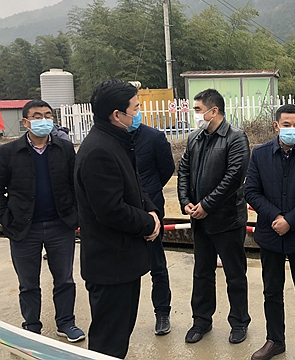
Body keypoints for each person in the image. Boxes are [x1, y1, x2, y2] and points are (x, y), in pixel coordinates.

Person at [75, 79, 161, 359]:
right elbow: (110, 209)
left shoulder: (116, 141)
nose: (137, 113)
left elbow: (134, 185)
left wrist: (151, 210)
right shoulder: (99, 151)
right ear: (117, 114)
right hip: (110, 264)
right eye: (134, 108)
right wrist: (148, 223)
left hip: (123, 261)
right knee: (109, 343)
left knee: (119, 334)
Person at [0, 99, 85, 342]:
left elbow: (75, 184)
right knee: (28, 283)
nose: (44, 120)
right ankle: (32, 327)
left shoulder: (64, 148)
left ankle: (66, 323)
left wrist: (75, 214)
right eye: (37, 116)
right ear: (26, 122)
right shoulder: (8, 152)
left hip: (60, 225)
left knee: (65, 279)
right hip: (23, 228)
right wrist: (7, 219)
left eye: (48, 115)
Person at [245, 104, 295, 360]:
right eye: (287, 125)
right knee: (272, 291)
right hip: (270, 233)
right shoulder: (260, 154)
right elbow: (251, 191)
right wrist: (275, 217)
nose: (292, 129)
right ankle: (275, 341)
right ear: (276, 126)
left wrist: (289, 220)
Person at [177, 88, 251, 345]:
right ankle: (201, 321)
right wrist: (186, 201)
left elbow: (234, 177)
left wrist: (207, 205)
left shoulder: (236, 138)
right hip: (199, 219)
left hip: (227, 220)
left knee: (235, 274)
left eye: (198, 110)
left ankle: (239, 322)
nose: (195, 115)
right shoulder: (195, 138)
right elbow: (183, 170)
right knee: (202, 272)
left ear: (214, 111)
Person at [133, 122, 175, 335]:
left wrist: (151, 191)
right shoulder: (112, 138)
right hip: (124, 212)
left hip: (152, 212)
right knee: (125, 268)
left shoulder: (154, 137)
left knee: (157, 264)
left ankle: (162, 312)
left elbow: (167, 168)